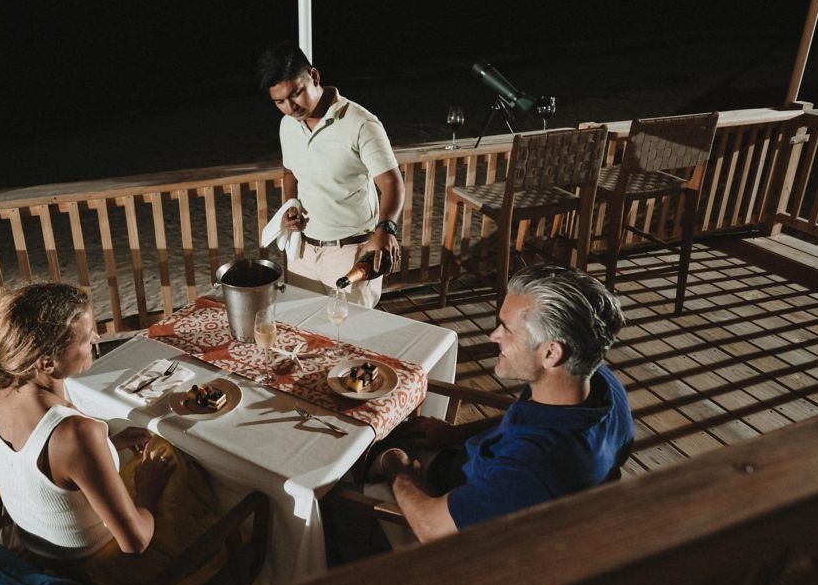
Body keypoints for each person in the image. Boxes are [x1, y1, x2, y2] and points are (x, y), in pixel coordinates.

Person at [0, 282, 220, 585]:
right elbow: (136, 542)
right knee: (193, 475)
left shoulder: (5, 385)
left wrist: (109, 446)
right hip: (97, 567)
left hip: (43, 545)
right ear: (47, 363)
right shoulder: (77, 434)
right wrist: (147, 490)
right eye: (86, 339)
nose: (97, 339)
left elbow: (50, 464)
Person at [364, 265, 634, 543]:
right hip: (478, 472)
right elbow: (528, 419)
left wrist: (394, 465)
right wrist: (454, 434)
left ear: (551, 352)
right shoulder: (600, 384)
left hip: (466, 534)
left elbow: (433, 528)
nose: (494, 336)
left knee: (363, 465)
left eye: (507, 330)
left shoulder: (531, 468)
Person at [255, 41, 404, 308]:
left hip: (349, 252)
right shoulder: (287, 125)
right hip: (301, 252)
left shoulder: (361, 123)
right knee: (306, 331)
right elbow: (290, 170)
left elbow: (391, 183)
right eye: (279, 102)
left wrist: (386, 229)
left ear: (313, 76)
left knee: (352, 337)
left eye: (296, 94)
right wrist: (291, 205)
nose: (290, 107)